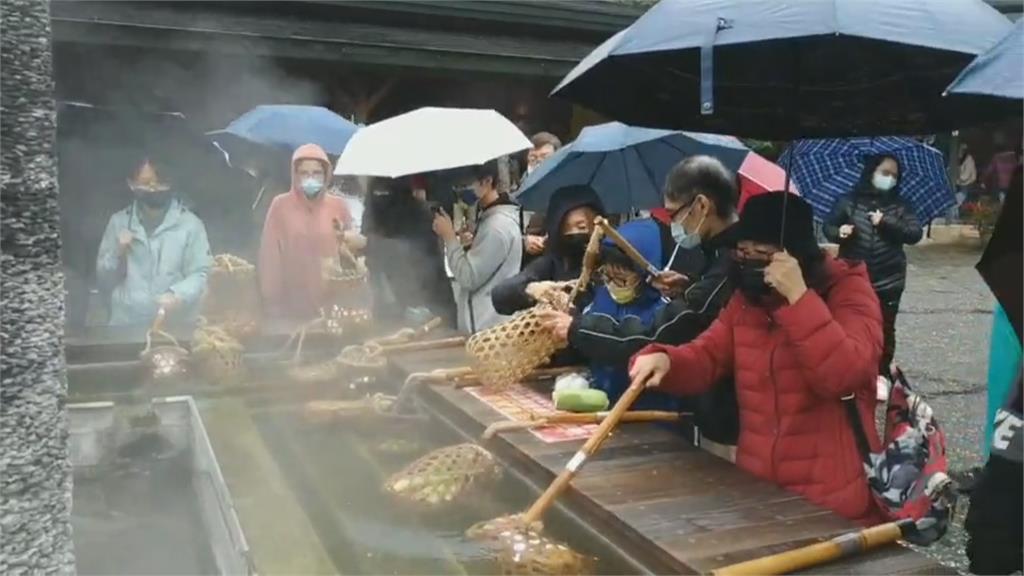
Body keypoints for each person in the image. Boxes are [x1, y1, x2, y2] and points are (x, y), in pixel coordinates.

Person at [629, 192, 886, 524]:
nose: (749, 261)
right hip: (759, 488)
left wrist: (799, 298)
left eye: (762, 253)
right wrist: (667, 361)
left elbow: (845, 374)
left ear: (797, 255)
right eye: (743, 251)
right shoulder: (748, 300)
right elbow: (708, 354)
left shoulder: (848, 291)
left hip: (830, 496)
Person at [539, 155, 741, 448]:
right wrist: (688, 288)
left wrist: (577, 328)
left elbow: (657, 333)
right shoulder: (715, 259)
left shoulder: (732, 262)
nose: (672, 225)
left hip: (727, 416)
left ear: (701, 205)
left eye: (674, 215)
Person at [823, 155, 922, 395]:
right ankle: (850, 371)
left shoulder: (901, 205)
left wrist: (885, 222)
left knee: (886, 327)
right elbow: (828, 227)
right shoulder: (848, 202)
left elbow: (914, 233)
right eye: (885, 172)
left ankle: (880, 373)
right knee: (848, 325)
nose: (889, 178)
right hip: (852, 277)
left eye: (894, 175)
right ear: (871, 172)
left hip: (889, 278)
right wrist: (840, 232)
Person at [95, 158, 211, 327]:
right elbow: (103, 279)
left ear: (170, 184)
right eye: (146, 183)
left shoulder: (190, 224)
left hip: (177, 324)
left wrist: (178, 295)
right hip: (126, 323)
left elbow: (202, 272)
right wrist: (117, 252)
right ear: (132, 184)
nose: (153, 189)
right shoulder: (118, 222)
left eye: (159, 183)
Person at [258, 143, 354, 324]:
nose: (311, 178)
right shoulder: (280, 205)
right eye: (304, 173)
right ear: (295, 175)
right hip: (291, 304)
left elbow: (351, 252)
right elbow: (270, 254)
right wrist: (272, 299)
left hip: (333, 304)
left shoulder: (338, 206)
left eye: (317, 173)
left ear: (326, 175)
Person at [583, 220, 670, 409]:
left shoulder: (664, 310)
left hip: (651, 413)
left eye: (621, 279)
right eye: (607, 276)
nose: (612, 284)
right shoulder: (602, 295)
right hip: (603, 403)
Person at [433, 159, 523, 333]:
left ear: (487, 181)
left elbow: (468, 278)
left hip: (489, 330)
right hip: (487, 327)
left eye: (465, 185)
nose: (460, 191)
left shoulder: (496, 227)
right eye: (456, 186)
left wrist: (449, 237)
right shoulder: (488, 217)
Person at [491, 184, 605, 315]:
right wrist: (532, 289)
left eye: (581, 227)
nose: (574, 233)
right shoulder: (553, 264)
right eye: (566, 227)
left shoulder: (613, 260)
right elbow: (500, 294)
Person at [363, 176, 457, 328]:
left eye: (385, 193)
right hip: (390, 310)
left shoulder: (421, 215)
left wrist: (368, 244)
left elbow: (414, 252)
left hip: (431, 306)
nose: (381, 198)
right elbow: (373, 261)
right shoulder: (372, 212)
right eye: (378, 193)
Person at [521, 132, 564, 263]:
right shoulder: (517, 194)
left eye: (545, 158)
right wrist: (523, 241)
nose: (538, 164)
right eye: (533, 159)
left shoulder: (566, 193)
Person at [953, 142, 977, 221]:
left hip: (966, 183)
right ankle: (955, 217)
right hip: (959, 184)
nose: (961, 152)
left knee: (958, 201)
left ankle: (956, 218)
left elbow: (966, 175)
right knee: (956, 201)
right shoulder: (959, 159)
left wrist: (958, 179)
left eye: (963, 150)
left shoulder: (969, 159)